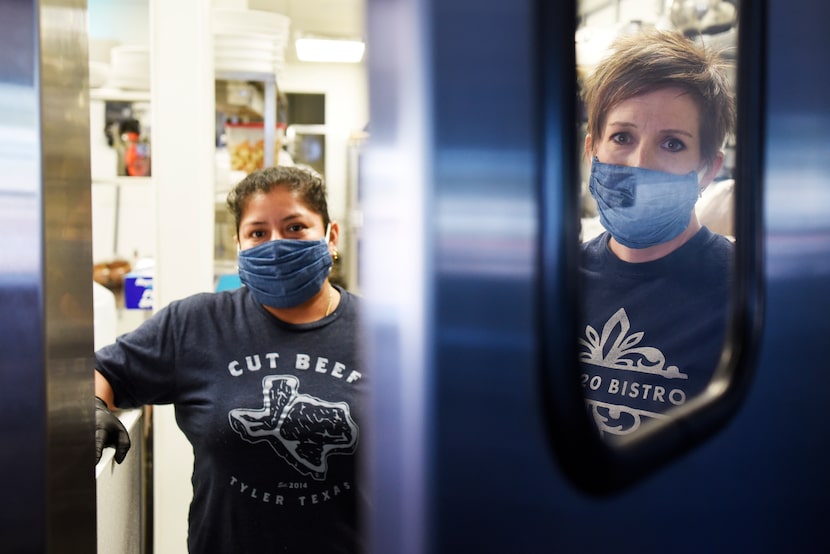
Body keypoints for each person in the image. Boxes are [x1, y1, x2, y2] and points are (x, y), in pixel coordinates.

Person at [94, 165, 366, 553]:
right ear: (238, 245)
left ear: (330, 236)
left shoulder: (383, 336)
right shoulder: (196, 324)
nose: (276, 244)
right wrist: (91, 407)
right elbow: (104, 370)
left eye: (295, 227)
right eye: (258, 233)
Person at [578, 29, 736, 438]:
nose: (639, 163)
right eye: (622, 137)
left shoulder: (747, 291)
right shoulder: (555, 280)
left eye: (671, 143)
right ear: (592, 149)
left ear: (709, 168)